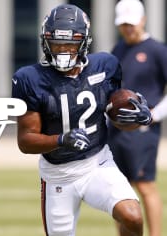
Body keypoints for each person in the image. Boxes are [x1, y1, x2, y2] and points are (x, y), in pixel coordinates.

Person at [11, 4, 152, 236]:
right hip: (59, 175)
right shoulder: (30, 79)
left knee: (133, 216)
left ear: (84, 43)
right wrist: (61, 140)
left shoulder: (105, 66)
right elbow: (25, 140)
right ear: (46, 43)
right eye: (57, 44)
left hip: (98, 163)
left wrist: (138, 118)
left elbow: (116, 118)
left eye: (70, 44)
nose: (63, 50)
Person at [108, 1, 167, 236]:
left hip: (143, 132)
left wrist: (152, 115)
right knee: (120, 191)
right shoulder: (118, 50)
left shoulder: (157, 50)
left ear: (142, 20)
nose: (128, 28)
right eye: (123, 24)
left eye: (131, 23)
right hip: (116, 131)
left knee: (144, 185)